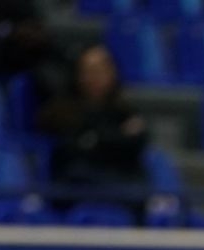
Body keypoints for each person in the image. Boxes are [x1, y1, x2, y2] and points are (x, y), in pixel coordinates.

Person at [39, 43, 147, 201]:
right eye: (89, 71)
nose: (95, 77)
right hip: (78, 188)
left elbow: (139, 143)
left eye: (101, 70)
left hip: (121, 182)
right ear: (78, 75)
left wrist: (97, 139)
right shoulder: (62, 111)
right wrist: (118, 137)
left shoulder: (124, 111)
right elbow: (72, 152)